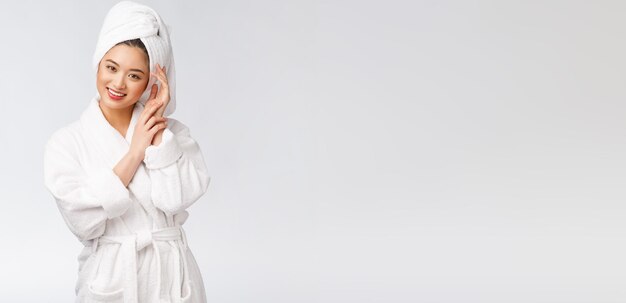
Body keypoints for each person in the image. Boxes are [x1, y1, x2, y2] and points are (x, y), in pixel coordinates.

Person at [43, 1, 210, 302]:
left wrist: (159, 133)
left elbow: (174, 200)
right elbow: (82, 223)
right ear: (98, 62)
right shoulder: (67, 142)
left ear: (151, 81)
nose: (118, 83)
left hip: (172, 279)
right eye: (111, 68)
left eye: (134, 75)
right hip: (111, 281)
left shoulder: (174, 135)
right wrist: (134, 154)